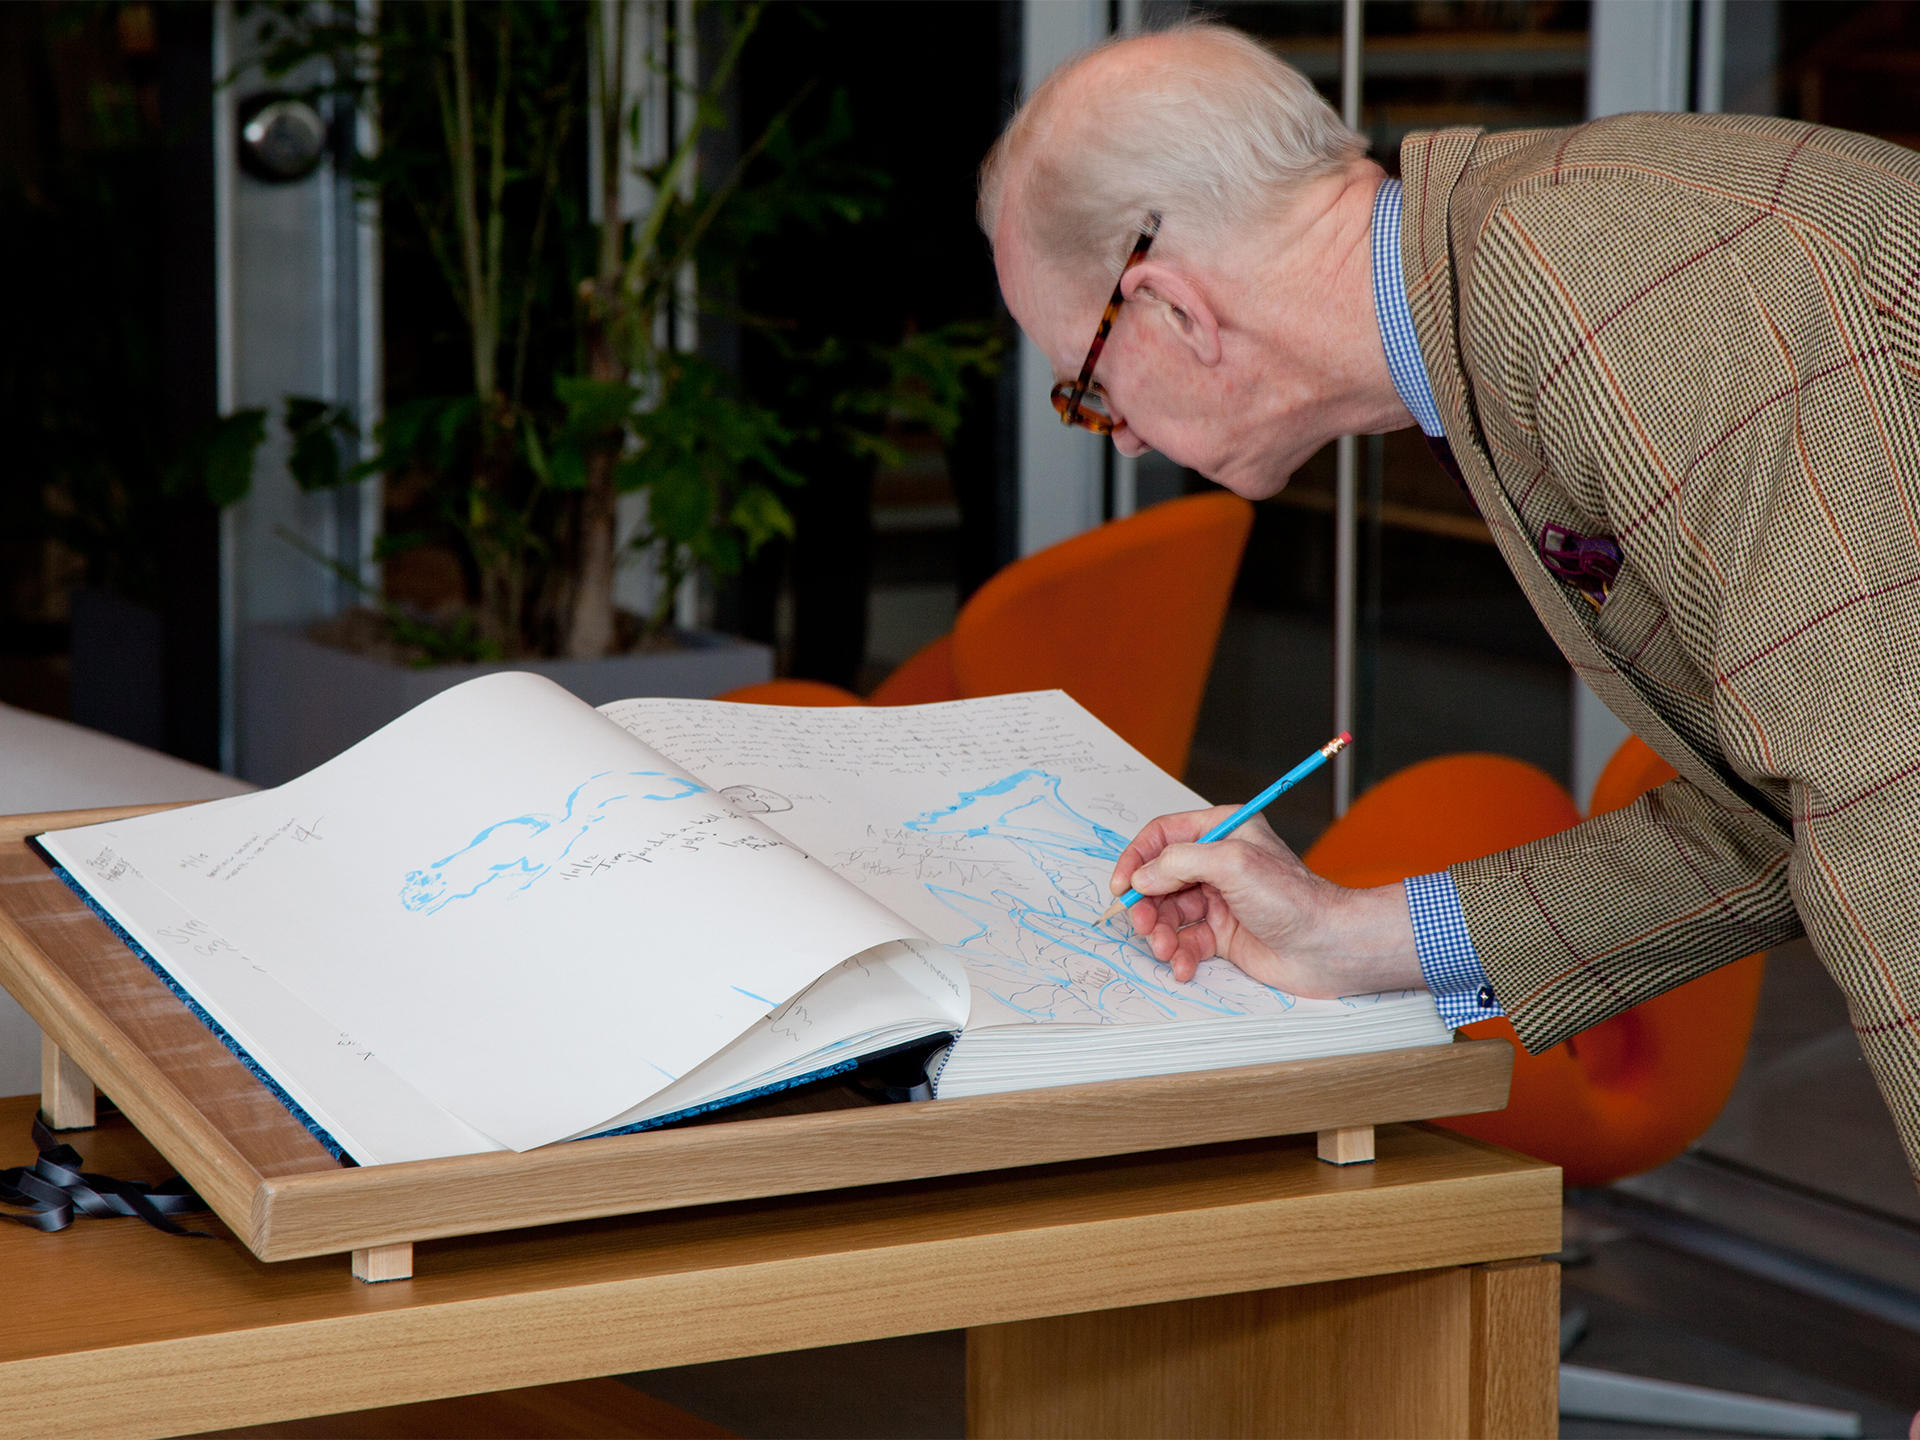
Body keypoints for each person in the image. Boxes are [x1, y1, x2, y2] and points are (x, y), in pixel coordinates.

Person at [980, 22, 1920, 1185]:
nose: (1116, 444)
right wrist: (1341, 939)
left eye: (1087, 390)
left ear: (1172, 308)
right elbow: (1775, 810)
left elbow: (1889, 802)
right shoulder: (1513, 286)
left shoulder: (1592, 298)